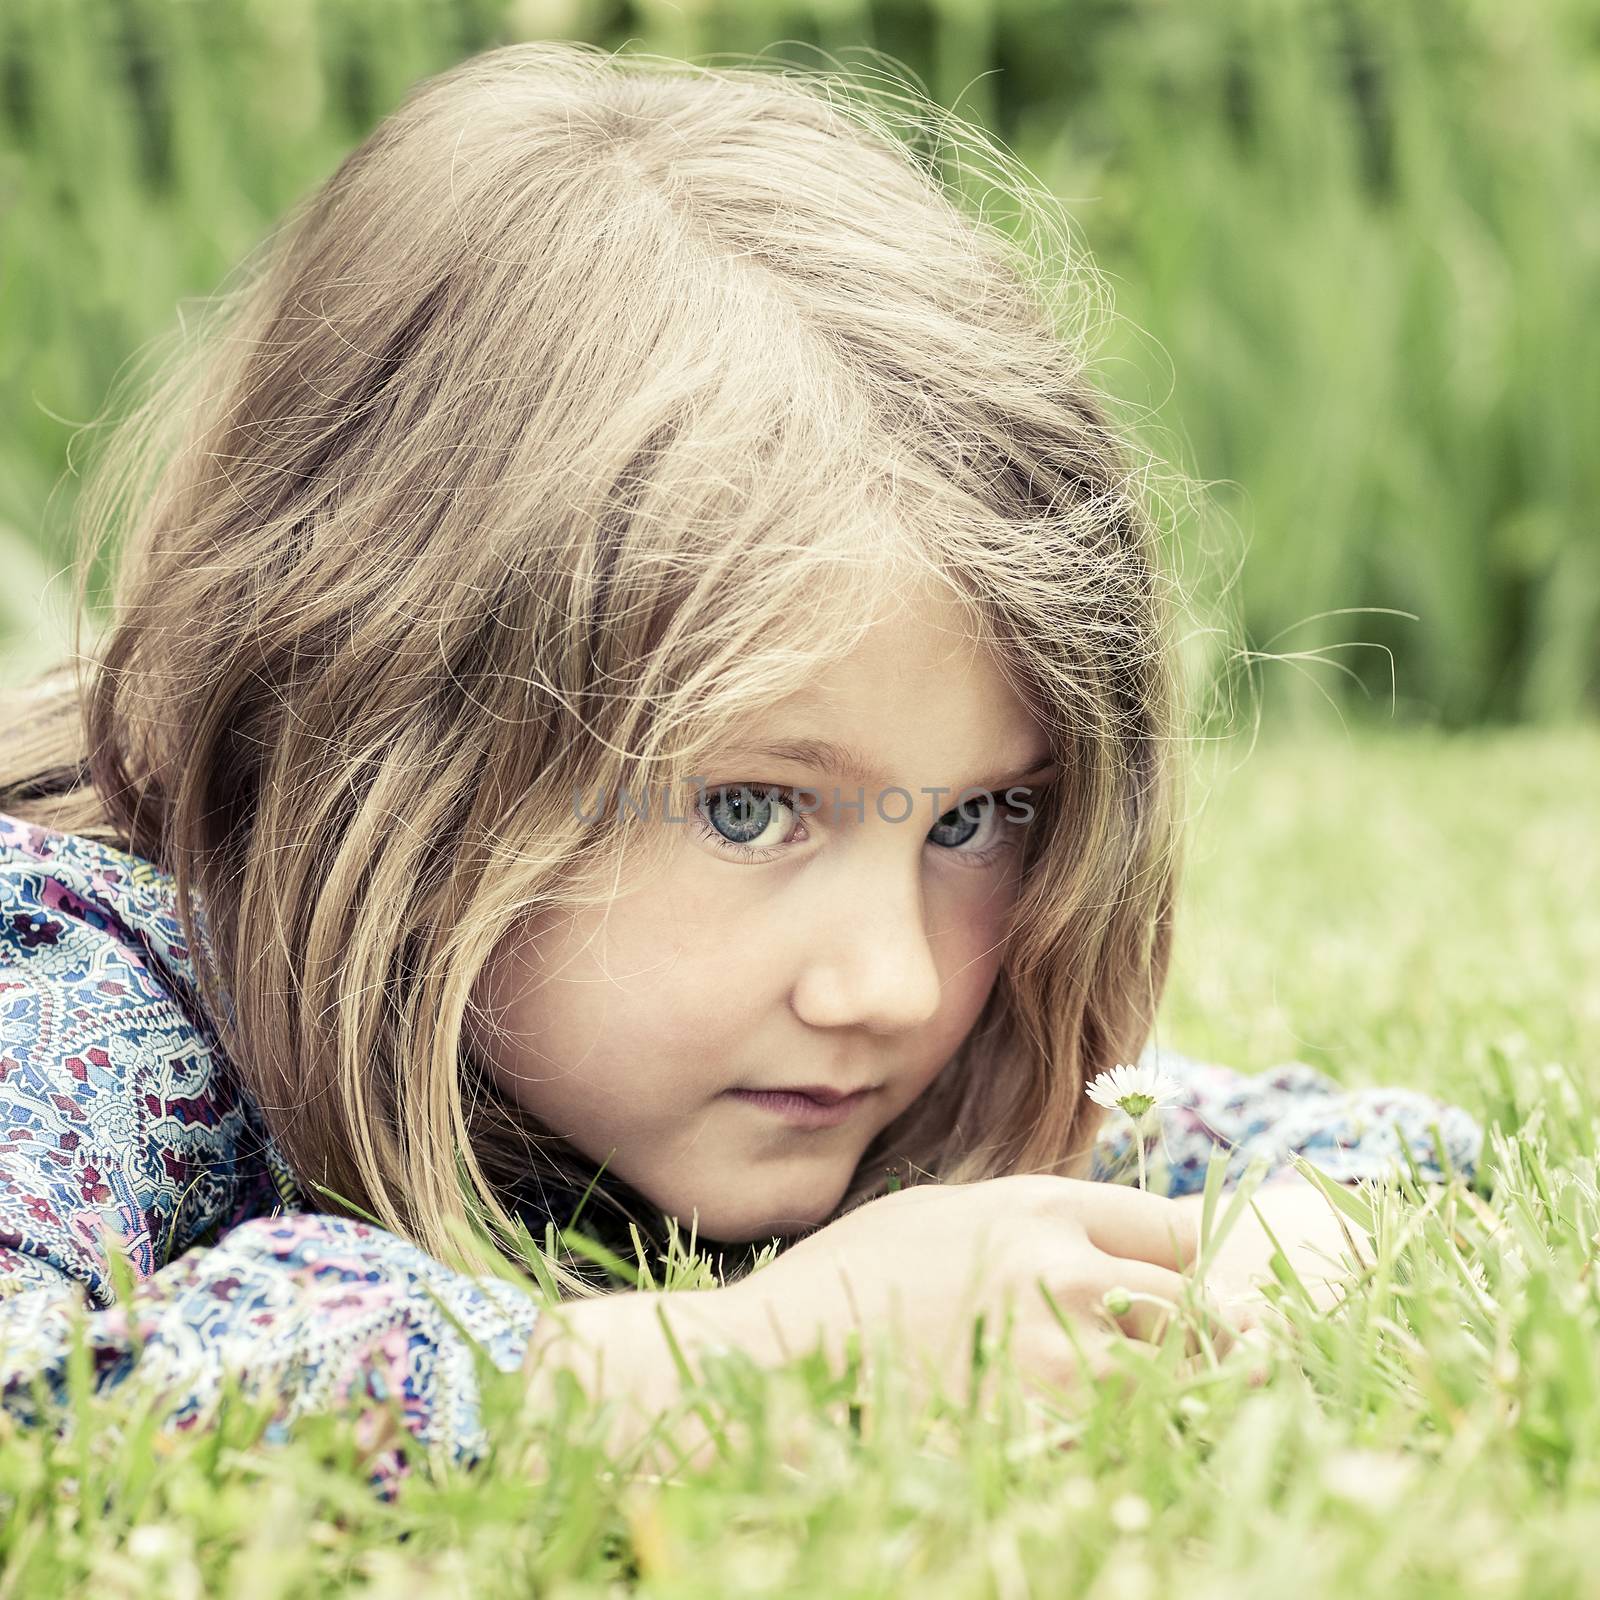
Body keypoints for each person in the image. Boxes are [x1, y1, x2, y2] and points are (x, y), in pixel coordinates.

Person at [0, 42, 1483, 1490]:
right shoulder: (95, 985)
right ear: (389, 737)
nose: (891, 988)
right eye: (752, 807)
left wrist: (1283, 1245)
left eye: (975, 818)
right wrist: (762, 1356)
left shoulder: (797, 1071)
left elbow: (1375, 1152)